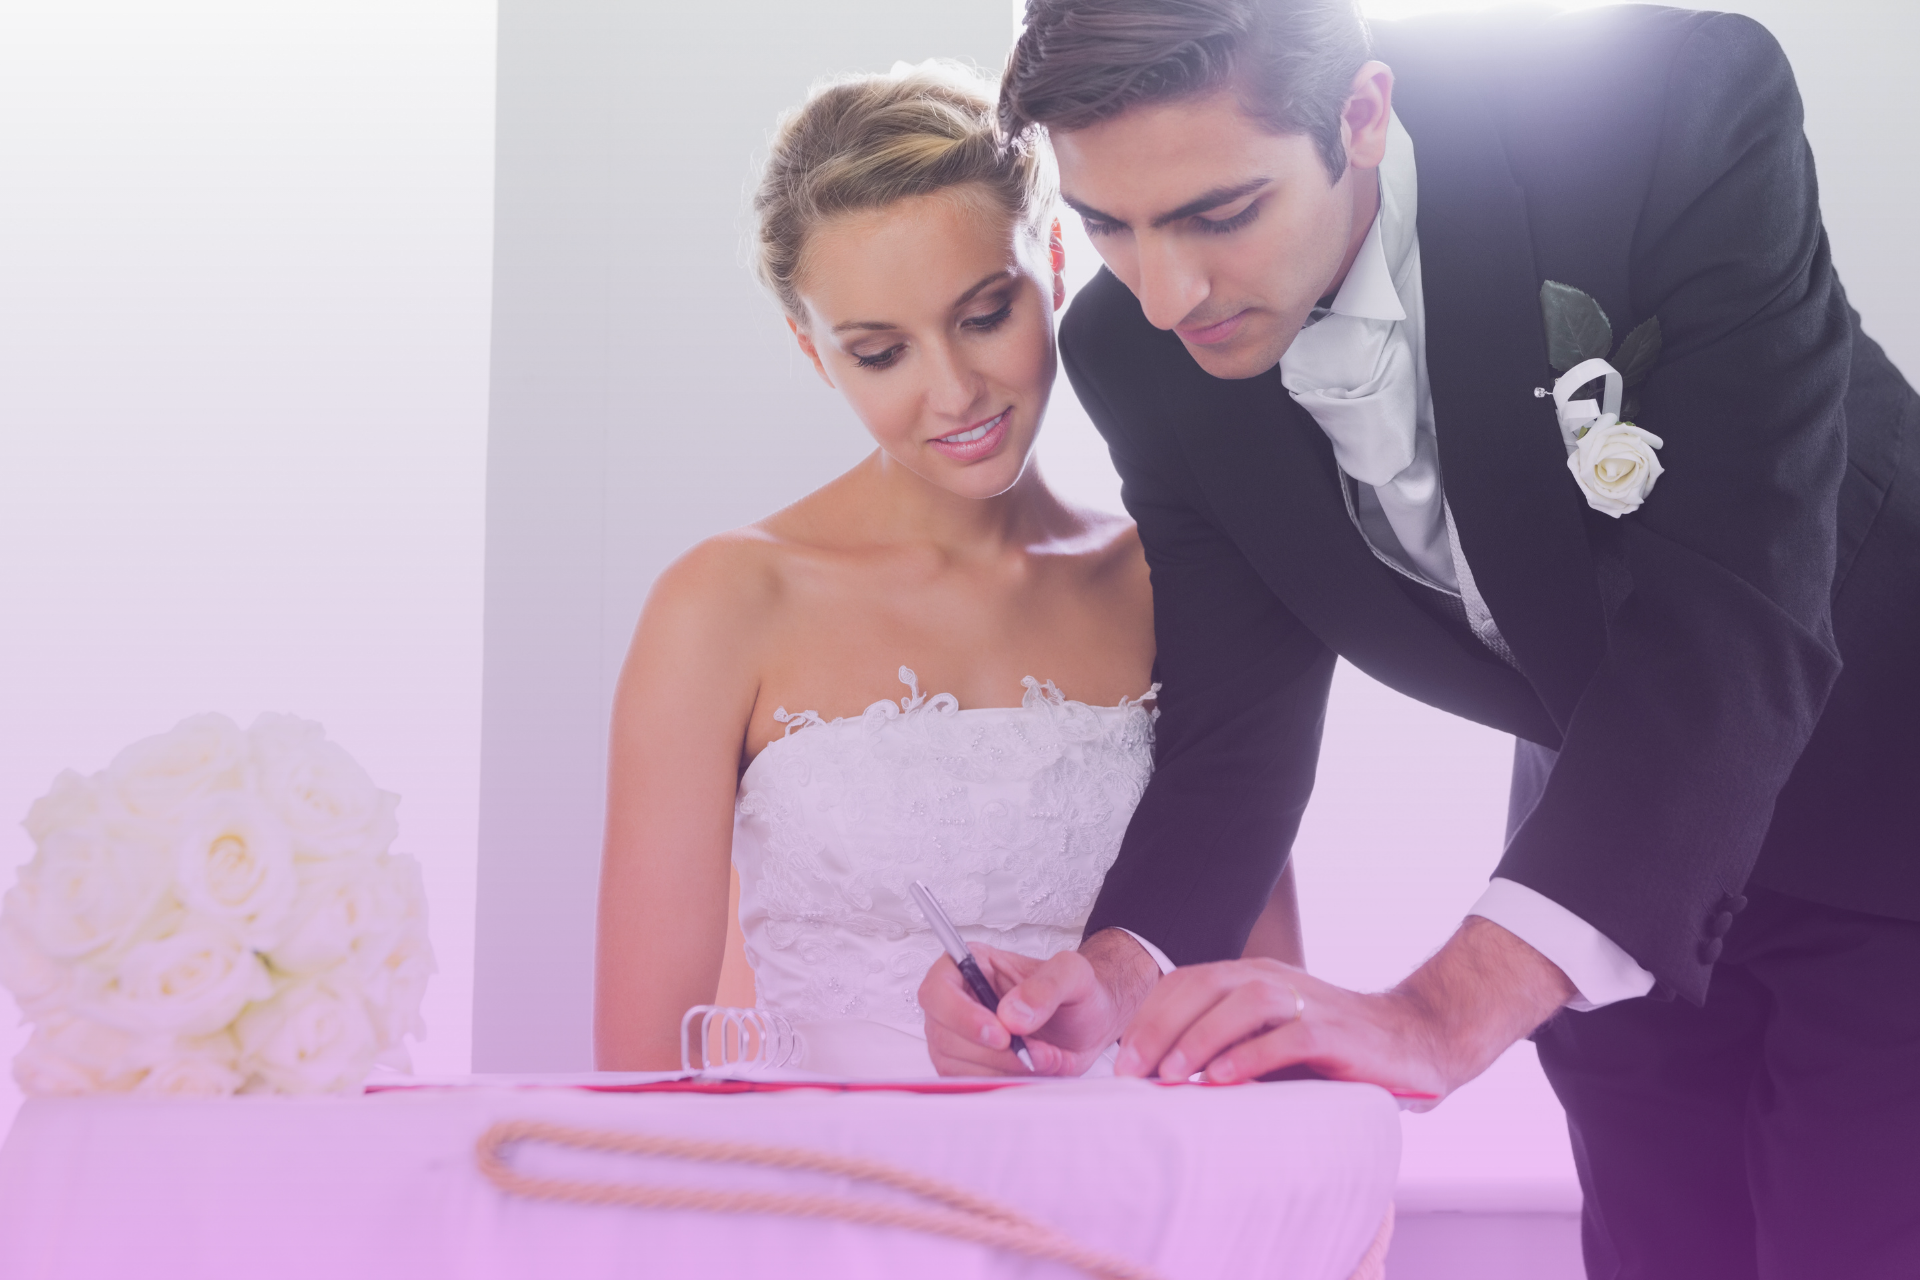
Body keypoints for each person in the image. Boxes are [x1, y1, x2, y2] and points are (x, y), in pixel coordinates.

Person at [917, 2, 1920, 1275]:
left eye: (1220, 213)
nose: (1167, 294)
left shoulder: (1667, 114)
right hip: (1611, 883)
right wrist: (1112, 972)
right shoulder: (1138, 355)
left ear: (1363, 112)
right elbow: (1235, 716)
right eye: (1107, 224)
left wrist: (1442, 1007)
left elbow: (1732, 604)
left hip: (1895, 798)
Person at [594, 63, 1297, 1078]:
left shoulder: (1176, 584)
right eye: (881, 354)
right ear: (812, 348)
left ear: (1053, 260)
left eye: (983, 314)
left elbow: (1258, 1013)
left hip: (1136, 1209)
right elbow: (639, 1071)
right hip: (828, 1209)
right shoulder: (725, 604)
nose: (955, 391)